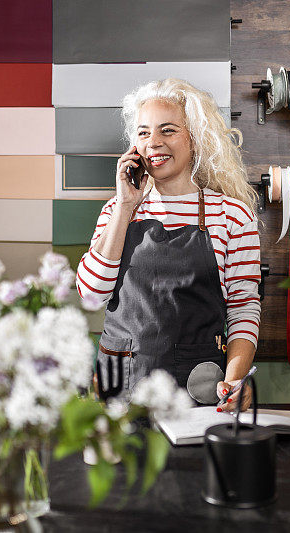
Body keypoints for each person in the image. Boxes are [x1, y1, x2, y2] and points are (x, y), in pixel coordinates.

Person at [76, 78, 260, 411]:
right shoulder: (117, 211)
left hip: (196, 386)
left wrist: (235, 379)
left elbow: (243, 307)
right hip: (119, 385)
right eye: (144, 133)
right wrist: (124, 206)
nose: (153, 143)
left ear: (195, 139)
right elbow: (91, 296)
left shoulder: (231, 214)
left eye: (168, 130)